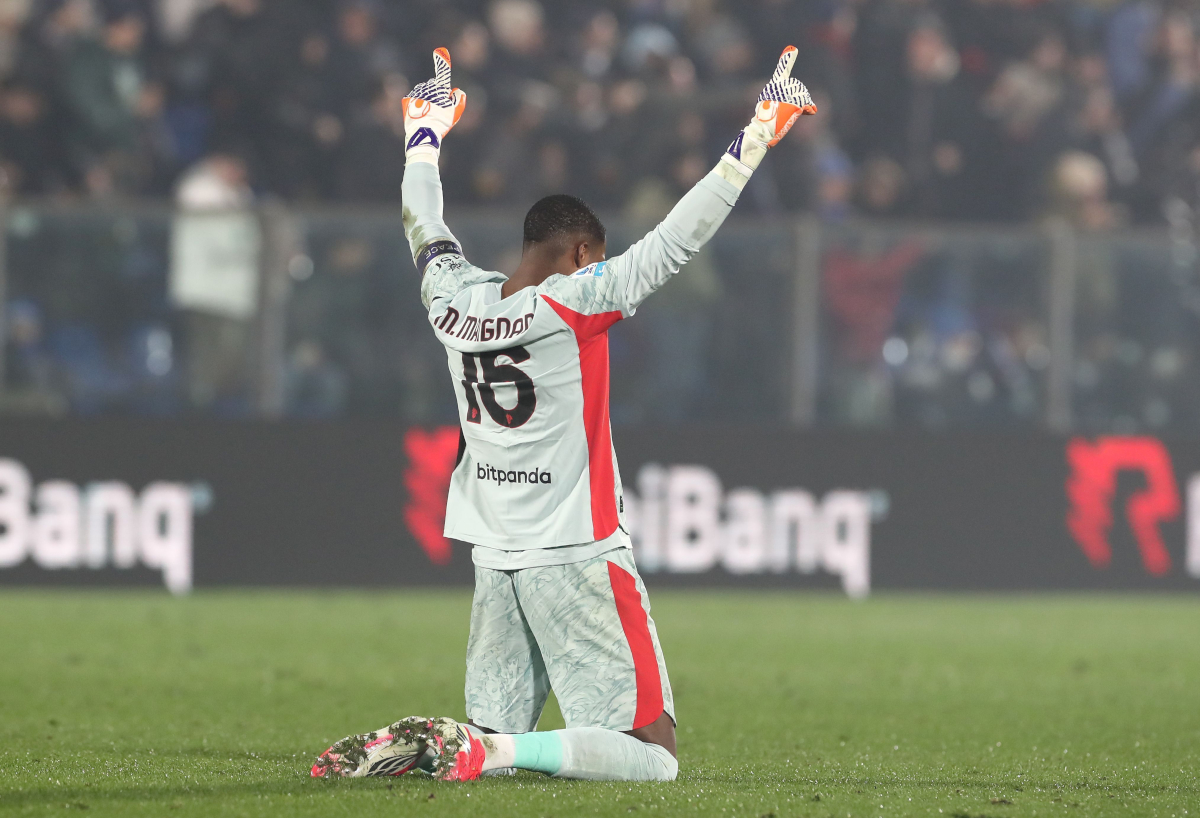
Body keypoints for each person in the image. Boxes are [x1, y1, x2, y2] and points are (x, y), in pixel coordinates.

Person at [311, 46, 815, 783]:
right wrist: (756, 137)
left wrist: (423, 135)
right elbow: (676, 242)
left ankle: (472, 744)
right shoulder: (573, 302)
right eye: (597, 259)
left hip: (495, 558)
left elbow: (424, 224)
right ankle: (488, 746)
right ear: (581, 252)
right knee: (653, 758)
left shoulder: (453, 300)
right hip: (575, 551)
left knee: (491, 743)